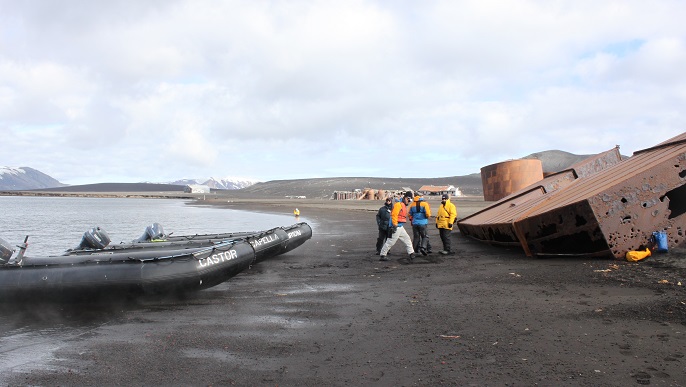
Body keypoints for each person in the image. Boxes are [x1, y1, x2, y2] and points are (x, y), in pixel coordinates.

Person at [379, 191, 416, 262]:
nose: (409, 201)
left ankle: (411, 253)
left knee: (407, 239)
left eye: (410, 200)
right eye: (408, 199)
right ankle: (383, 255)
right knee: (390, 241)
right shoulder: (399, 205)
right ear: (405, 198)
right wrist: (394, 225)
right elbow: (394, 215)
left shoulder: (402, 205)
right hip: (396, 226)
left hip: (400, 226)